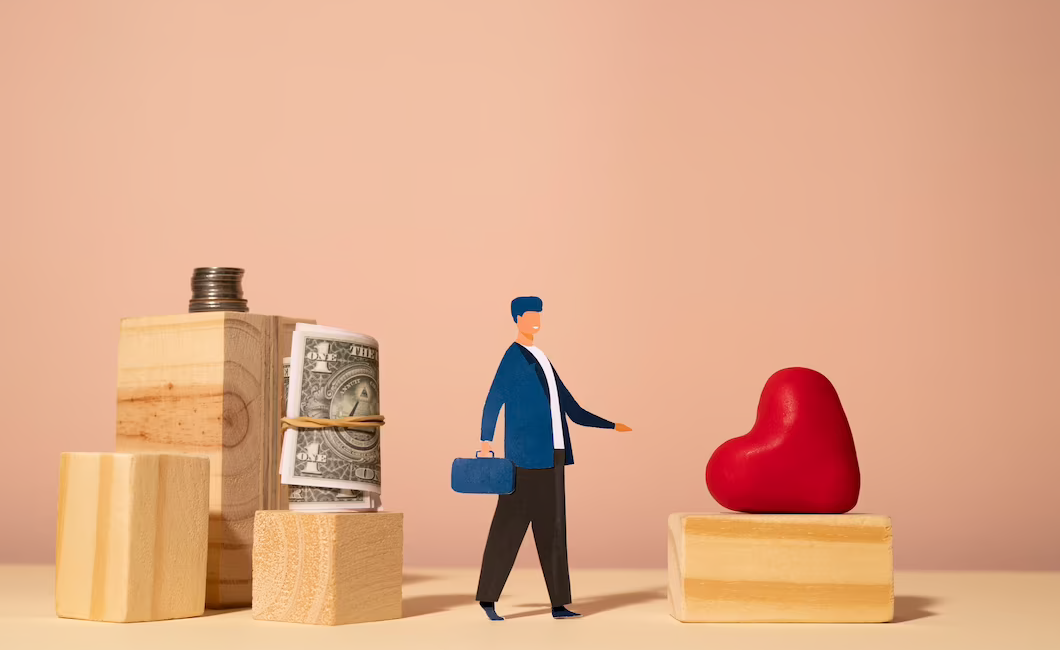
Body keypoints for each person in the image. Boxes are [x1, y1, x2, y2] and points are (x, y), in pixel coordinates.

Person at [475, 296, 631, 621]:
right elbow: (494, 399)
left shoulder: (542, 358)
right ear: (517, 318)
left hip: (553, 458)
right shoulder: (513, 358)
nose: (535, 322)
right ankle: (488, 600)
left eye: (538, 316)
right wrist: (486, 441)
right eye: (530, 316)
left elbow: (571, 408)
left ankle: (559, 604)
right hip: (523, 459)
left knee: (554, 531)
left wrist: (611, 425)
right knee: (508, 528)